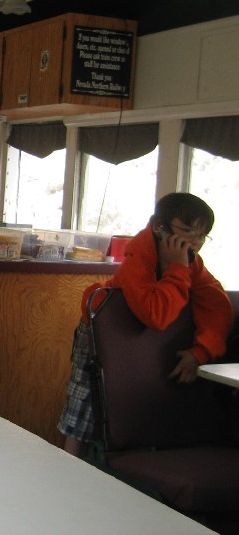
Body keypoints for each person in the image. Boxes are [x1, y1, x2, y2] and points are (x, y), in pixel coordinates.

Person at [58, 192, 234, 456]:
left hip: (138, 340)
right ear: (160, 227)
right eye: (187, 231)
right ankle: (67, 461)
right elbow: (156, 315)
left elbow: (218, 307)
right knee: (82, 404)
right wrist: (178, 270)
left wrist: (201, 352)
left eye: (202, 235)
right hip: (98, 330)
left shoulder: (191, 263)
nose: (195, 242)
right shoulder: (138, 260)